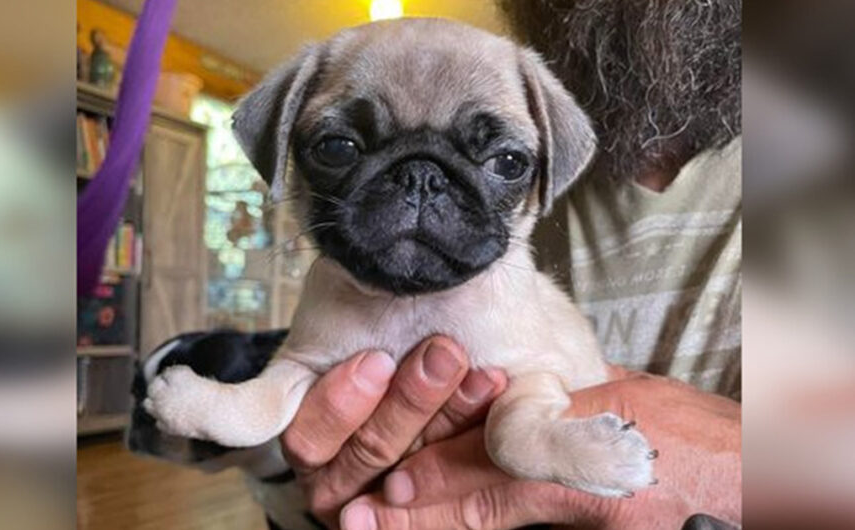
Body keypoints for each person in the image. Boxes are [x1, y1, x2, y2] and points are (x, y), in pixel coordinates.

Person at [281, 0, 742, 528]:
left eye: (503, 164)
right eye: (339, 148)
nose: (423, 191)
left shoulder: (526, 106)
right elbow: (315, 444)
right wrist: (332, 479)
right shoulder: (516, 89)